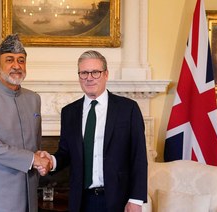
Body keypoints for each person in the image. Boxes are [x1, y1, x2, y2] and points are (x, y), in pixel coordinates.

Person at [38, 50, 148, 212]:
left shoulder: (128, 109)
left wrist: (136, 199)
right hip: (81, 201)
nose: (89, 77)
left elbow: (138, 156)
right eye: (84, 73)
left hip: (119, 199)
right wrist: (51, 161)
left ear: (106, 74)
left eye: (95, 72)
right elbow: (66, 152)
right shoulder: (69, 112)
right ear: (79, 76)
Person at [0, 34, 51, 212]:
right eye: (10, 60)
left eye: (21, 60)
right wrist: (33, 159)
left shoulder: (33, 98)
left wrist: (40, 158)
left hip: (29, 194)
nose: (16, 66)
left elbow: (35, 143)